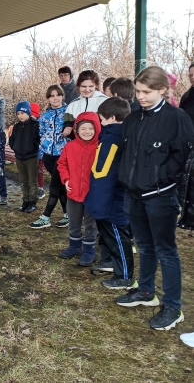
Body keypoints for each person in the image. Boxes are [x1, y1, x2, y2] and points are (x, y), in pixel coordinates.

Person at [115, 65, 194, 331]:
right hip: (134, 194)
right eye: (138, 91)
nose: (141, 97)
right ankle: (146, 291)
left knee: (165, 250)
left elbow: (182, 157)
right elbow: (126, 152)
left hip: (160, 196)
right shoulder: (134, 117)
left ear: (162, 90)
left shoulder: (177, 118)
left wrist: (160, 178)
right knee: (145, 246)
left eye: (147, 92)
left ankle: (172, 306)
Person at [84, 97, 136, 289]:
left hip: (111, 199)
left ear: (112, 118)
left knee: (118, 238)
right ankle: (109, 262)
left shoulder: (113, 139)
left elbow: (103, 173)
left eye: (102, 119)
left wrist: (98, 200)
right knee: (107, 235)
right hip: (106, 197)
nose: (100, 123)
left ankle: (125, 276)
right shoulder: (115, 136)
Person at [57, 112, 101, 266]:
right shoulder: (70, 146)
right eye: (83, 128)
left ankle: (89, 250)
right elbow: (62, 164)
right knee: (74, 221)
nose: (87, 131)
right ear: (76, 130)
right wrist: (66, 179)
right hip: (73, 192)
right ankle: (75, 246)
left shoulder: (100, 147)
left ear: (97, 129)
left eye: (91, 128)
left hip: (92, 195)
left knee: (91, 223)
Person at [29, 85, 70, 229]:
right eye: (52, 96)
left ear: (62, 96)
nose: (55, 98)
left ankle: (45, 217)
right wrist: (42, 152)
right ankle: (68, 214)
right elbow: (41, 134)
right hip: (48, 155)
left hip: (63, 155)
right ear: (48, 98)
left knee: (54, 186)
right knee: (60, 186)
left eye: (58, 95)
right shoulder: (44, 116)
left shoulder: (69, 112)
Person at [9, 101, 40, 213]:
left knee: (32, 181)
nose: (20, 116)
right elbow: (12, 140)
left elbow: (39, 139)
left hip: (31, 157)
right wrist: (15, 148)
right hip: (19, 157)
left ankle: (32, 202)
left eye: (22, 113)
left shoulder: (35, 125)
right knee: (23, 181)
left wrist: (32, 148)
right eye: (18, 114)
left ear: (28, 112)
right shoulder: (16, 127)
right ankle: (25, 201)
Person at [63, 70, 108, 138]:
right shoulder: (73, 104)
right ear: (78, 86)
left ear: (96, 85)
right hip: (79, 142)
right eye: (84, 86)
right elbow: (68, 123)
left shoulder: (105, 101)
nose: (87, 89)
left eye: (91, 86)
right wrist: (68, 126)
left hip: (100, 141)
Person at [30, 102, 46, 200]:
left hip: (39, 152)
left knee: (39, 171)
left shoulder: (41, 122)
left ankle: (40, 188)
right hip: (30, 153)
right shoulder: (26, 123)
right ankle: (32, 188)